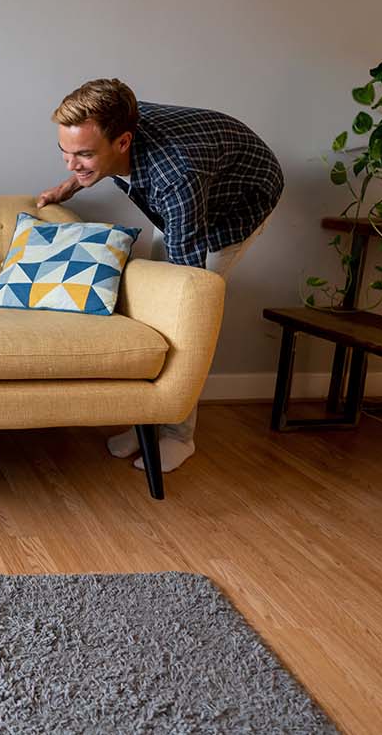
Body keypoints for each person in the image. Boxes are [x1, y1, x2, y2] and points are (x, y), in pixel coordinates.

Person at [36, 78, 283, 473]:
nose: (70, 162)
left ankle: (177, 436)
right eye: (64, 151)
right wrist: (71, 185)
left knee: (182, 316)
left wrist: (180, 303)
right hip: (194, 185)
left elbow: (188, 294)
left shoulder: (175, 179)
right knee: (145, 305)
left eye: (82, 155)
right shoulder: (114, 112)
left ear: (123, 143)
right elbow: (83, 158)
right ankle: (146, 422)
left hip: (235, 204)